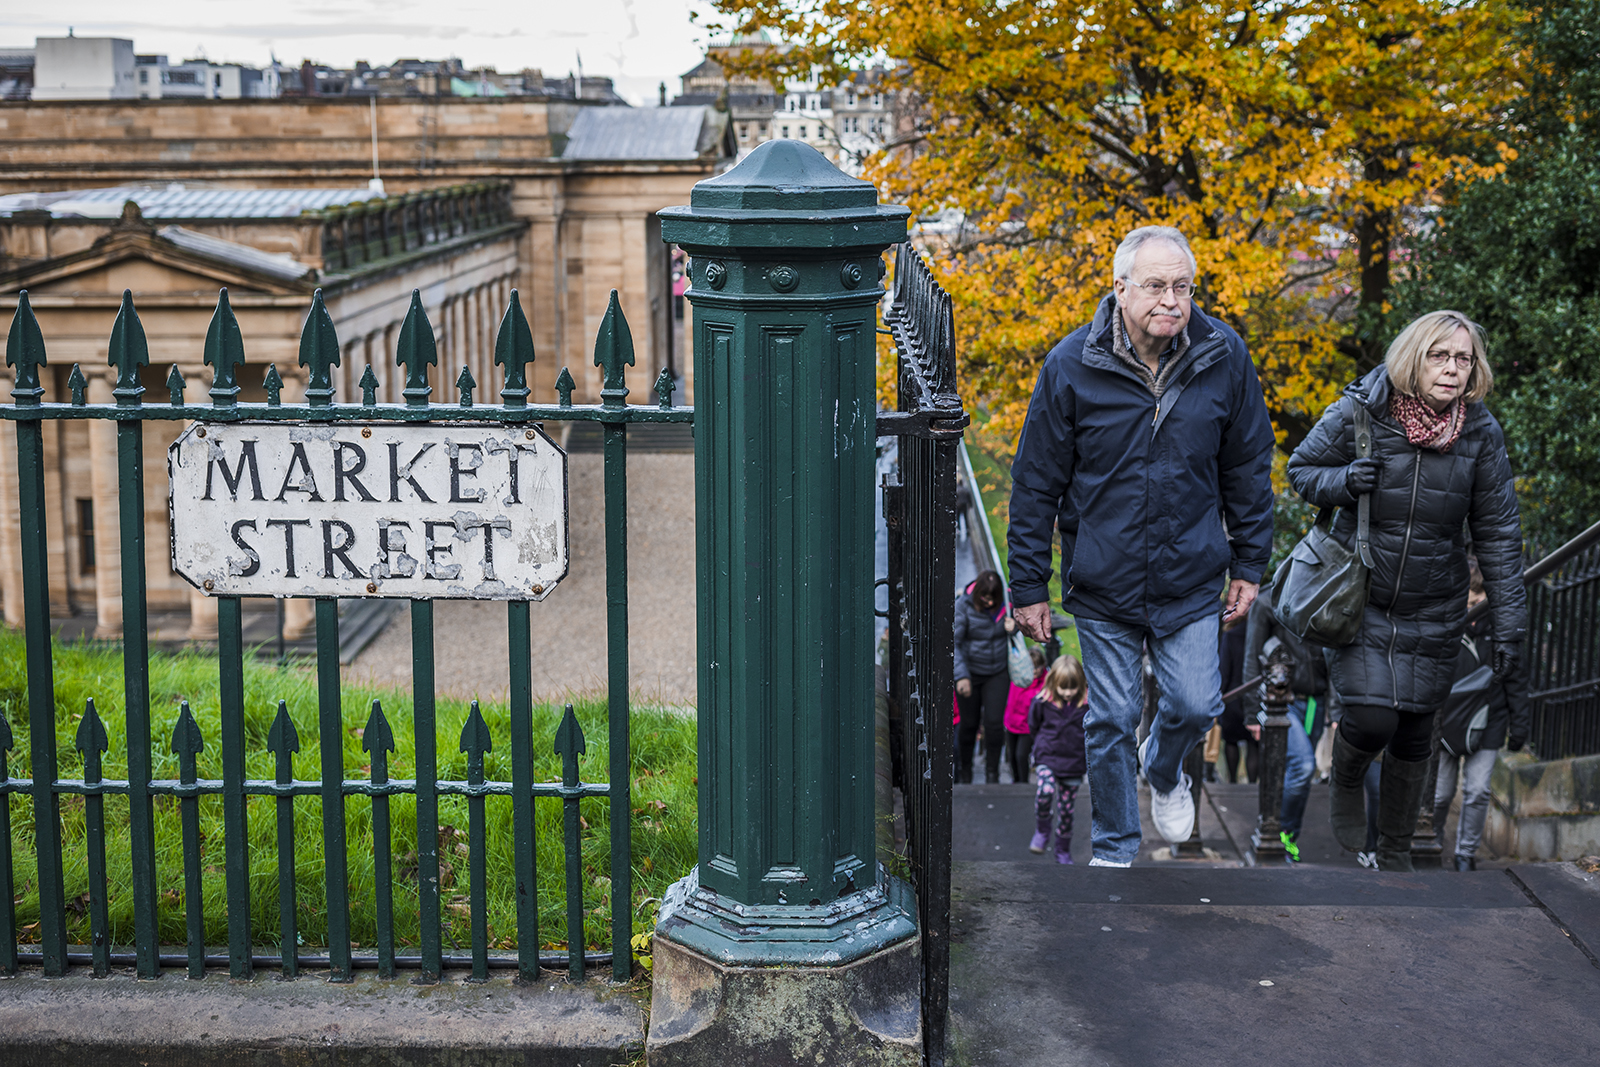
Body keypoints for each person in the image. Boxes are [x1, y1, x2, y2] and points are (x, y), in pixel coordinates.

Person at [1009, 226, 1276, 866]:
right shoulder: (1071, 365)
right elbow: (1035, 482)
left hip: (1190, 575)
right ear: (1121, 288)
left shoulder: (1223, 355)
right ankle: (1114, 849)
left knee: (1195, 704)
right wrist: (1027, 585)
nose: (1171, 299)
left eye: (1182, 285)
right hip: (1104, 578)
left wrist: (1249, 561)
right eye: (1156, 285)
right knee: (1109, 718)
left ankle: (1163, 769)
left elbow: (1248, 464)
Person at [1287, 310, 1526, 872]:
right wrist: (1344, 481)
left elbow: (1498, 534)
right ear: (1413, 358)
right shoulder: (1361, 410)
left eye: (1462, 359)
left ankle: (1394, 853)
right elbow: (1301, 470)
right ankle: (1345, 773)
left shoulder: (1480, 433)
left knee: (1417, 734)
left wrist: (1510, 626)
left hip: (1435, 607)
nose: (1451, 369)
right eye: (1439, 356)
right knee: (1373, 721)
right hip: (1361, 598)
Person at [1434, 559, 1531, 871]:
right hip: (1446, 723)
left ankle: (1465, 853)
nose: (1473, 604)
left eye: (1479, 598)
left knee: (1477, 791)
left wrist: (1519, 728)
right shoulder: (1443, 629)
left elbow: (1517, 682)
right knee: (1439, 793)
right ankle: (1430, 842)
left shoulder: (1503, 634)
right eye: (1468, 598)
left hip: (1490, 719)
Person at [1243, 577, 1330, 862]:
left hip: (1316, 701)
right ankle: (1277, 833)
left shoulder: (1330, 593)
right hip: (1281, 701)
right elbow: (1252, 656)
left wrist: (1336, 709)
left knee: (1298, 774)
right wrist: (1251, 711)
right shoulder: (1269, 600)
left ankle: (1286, 836)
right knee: (1302, 766)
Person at [1028, 655, 1090, 864]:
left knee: (1066, 810)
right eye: (1063, 688)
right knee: (1045, 790)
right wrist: (1039, 749)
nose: (1067, 693)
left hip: (1073, 763)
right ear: (1054, 683)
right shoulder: (1043, 702)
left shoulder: (1086, 705)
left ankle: (1062, 849)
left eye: (1072, 688)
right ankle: (1042, 830)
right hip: (1048, 756)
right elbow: (1033, 726)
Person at [954, 570, 1015, 784]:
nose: (989, 602)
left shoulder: (1008, 603)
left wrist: (1014, 627)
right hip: (970, 672)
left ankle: (992, 773)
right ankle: (965, 770)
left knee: (994, 724)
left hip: (997, 671)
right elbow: (954, 644)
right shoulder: (963, 606)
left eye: (993, 598)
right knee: (969, 724)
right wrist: (961, 676)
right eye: (984, 597)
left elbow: (1022, 628)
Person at [1218, 611, 1257, 783]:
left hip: (1232, 695)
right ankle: (1252, 784)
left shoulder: (1231, 635)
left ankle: (1232, 781)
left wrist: (1219, 695)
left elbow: (1224, 669)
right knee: (1253, 743)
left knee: (1231, 741)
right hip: (1255, 693)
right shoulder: (1260, 634)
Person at [1004, 646, 1048, 784]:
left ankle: (1023, 783)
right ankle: (1015, 780)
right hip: (1012, 722)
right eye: (1031, 667)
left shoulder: (1044, 684)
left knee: (1021, 755)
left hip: (1027, 727)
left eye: (1037, 667)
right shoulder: (1017, 678)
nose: (1034, 671)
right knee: (1011, 756)